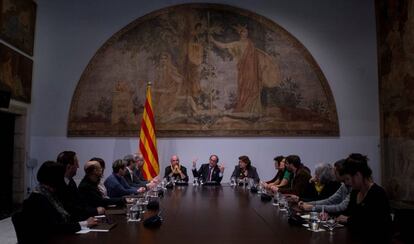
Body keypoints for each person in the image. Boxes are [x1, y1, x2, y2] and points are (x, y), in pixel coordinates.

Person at [17, 161, 97, 243]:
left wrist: (84, 221)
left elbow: (66, 216)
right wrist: (84, 223)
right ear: (55, 178)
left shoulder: (48, 193)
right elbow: (55, 227)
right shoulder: (38, 199)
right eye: (62, 176)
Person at [336, 153, 392, 242]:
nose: (346, 183)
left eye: (347, 179)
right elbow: (347, 214)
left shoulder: (377, 193)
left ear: (358, 175)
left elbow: (375, 226)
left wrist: (349, 220)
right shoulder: (355, 192)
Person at [56, 151, 103, 220]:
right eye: (76, 163)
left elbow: (80, 204)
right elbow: (71, 209)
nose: (78, 166)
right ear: (69, 166)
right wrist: (94, 211)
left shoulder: (71, 181)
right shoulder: (58, 184)